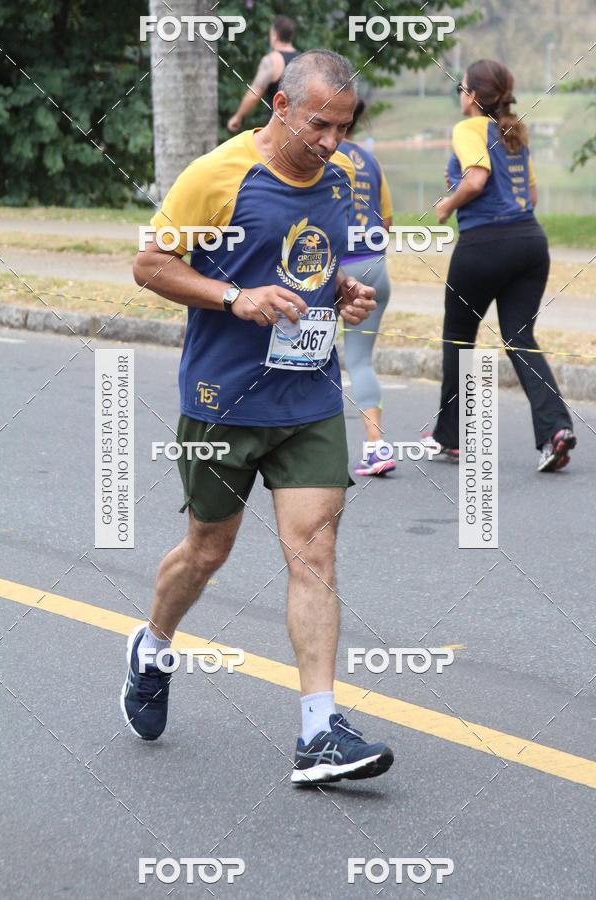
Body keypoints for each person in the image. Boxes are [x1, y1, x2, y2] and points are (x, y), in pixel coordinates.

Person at [122, 50, 394, 785]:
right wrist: (233, 298)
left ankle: (318, 732)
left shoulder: (338, 181)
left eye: (343, 126)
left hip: (306, 397)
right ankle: (152, 644)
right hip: (224, 399)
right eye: (318, 124)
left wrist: (342, 294)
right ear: (280, 108)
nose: (332, 141)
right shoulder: (217, 175)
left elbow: (307, 265)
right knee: (208, 551)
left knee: (316, 549)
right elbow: (150, 265)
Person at [424, 59, 576, 472]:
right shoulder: (513, 131)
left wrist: (445, 204)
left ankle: (450, 438)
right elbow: (530, 194)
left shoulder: (468, 128)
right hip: (531, 243)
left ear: (473, 96)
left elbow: (476, 179)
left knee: (458, 335)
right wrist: (459, 185)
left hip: (485, 244)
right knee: (520, 338)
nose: (459, 94)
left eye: (461, 87)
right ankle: (555, 430)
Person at [338, 99, 395, 476]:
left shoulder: (317, 153)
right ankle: (375, 445)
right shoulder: (368, 159)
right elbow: (386, 219)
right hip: (376, 265)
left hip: (338, 269)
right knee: (360, 359)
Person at [227, 15, 299, 133]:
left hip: (279, 129)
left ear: (275, 35)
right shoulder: (303, 59)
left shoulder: (272, 60)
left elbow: (254, 94)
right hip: (300, 127)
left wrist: (237, 117)